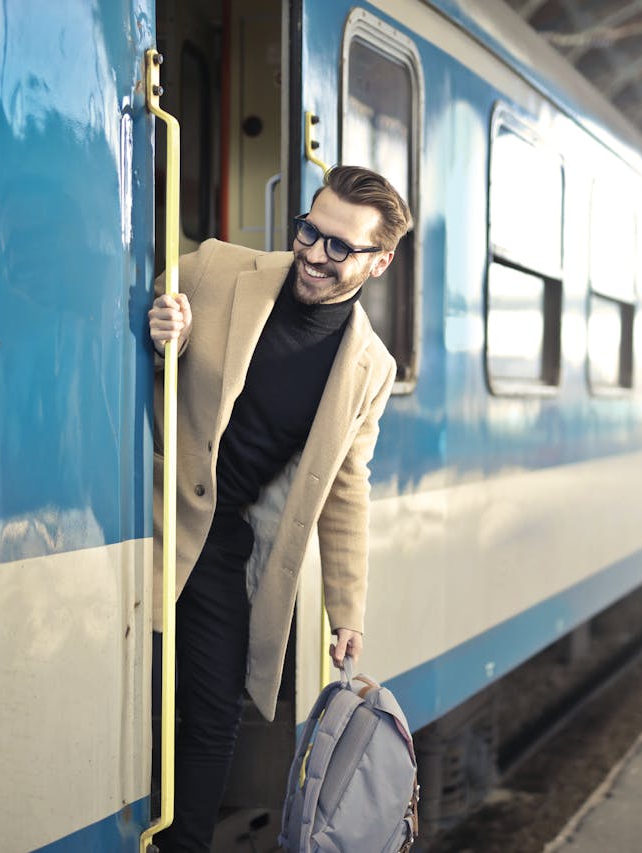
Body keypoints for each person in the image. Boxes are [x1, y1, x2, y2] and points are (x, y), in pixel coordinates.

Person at [147, 165, 411, 851]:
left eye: (339, 248)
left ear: (379, 261)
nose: (315, 255)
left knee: (214, 713)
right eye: (309, 231)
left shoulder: (367, 368)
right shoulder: (215, 269)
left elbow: (348, 485)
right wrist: (159, 320)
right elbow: (135, 300)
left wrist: (346, 607)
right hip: (143, 515)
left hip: (220, 540)